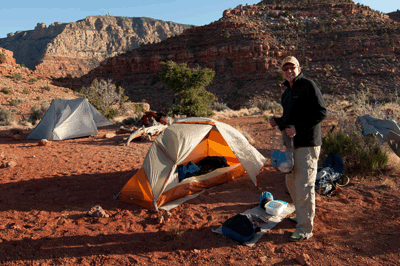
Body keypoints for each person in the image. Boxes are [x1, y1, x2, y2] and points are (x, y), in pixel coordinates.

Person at [269, 56, 327, 242]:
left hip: (307, 144)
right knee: (292, 183)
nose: (289, 71)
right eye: (285, 69)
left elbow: (321, 112)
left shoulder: (308, 85)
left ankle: (304, 228)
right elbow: (288, 120)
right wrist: (276, 121)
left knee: (304, 185)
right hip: (290, 146)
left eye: (292, 67)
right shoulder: (286, 92)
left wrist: (298, 128)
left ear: (299, 68)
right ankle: (301, 217)